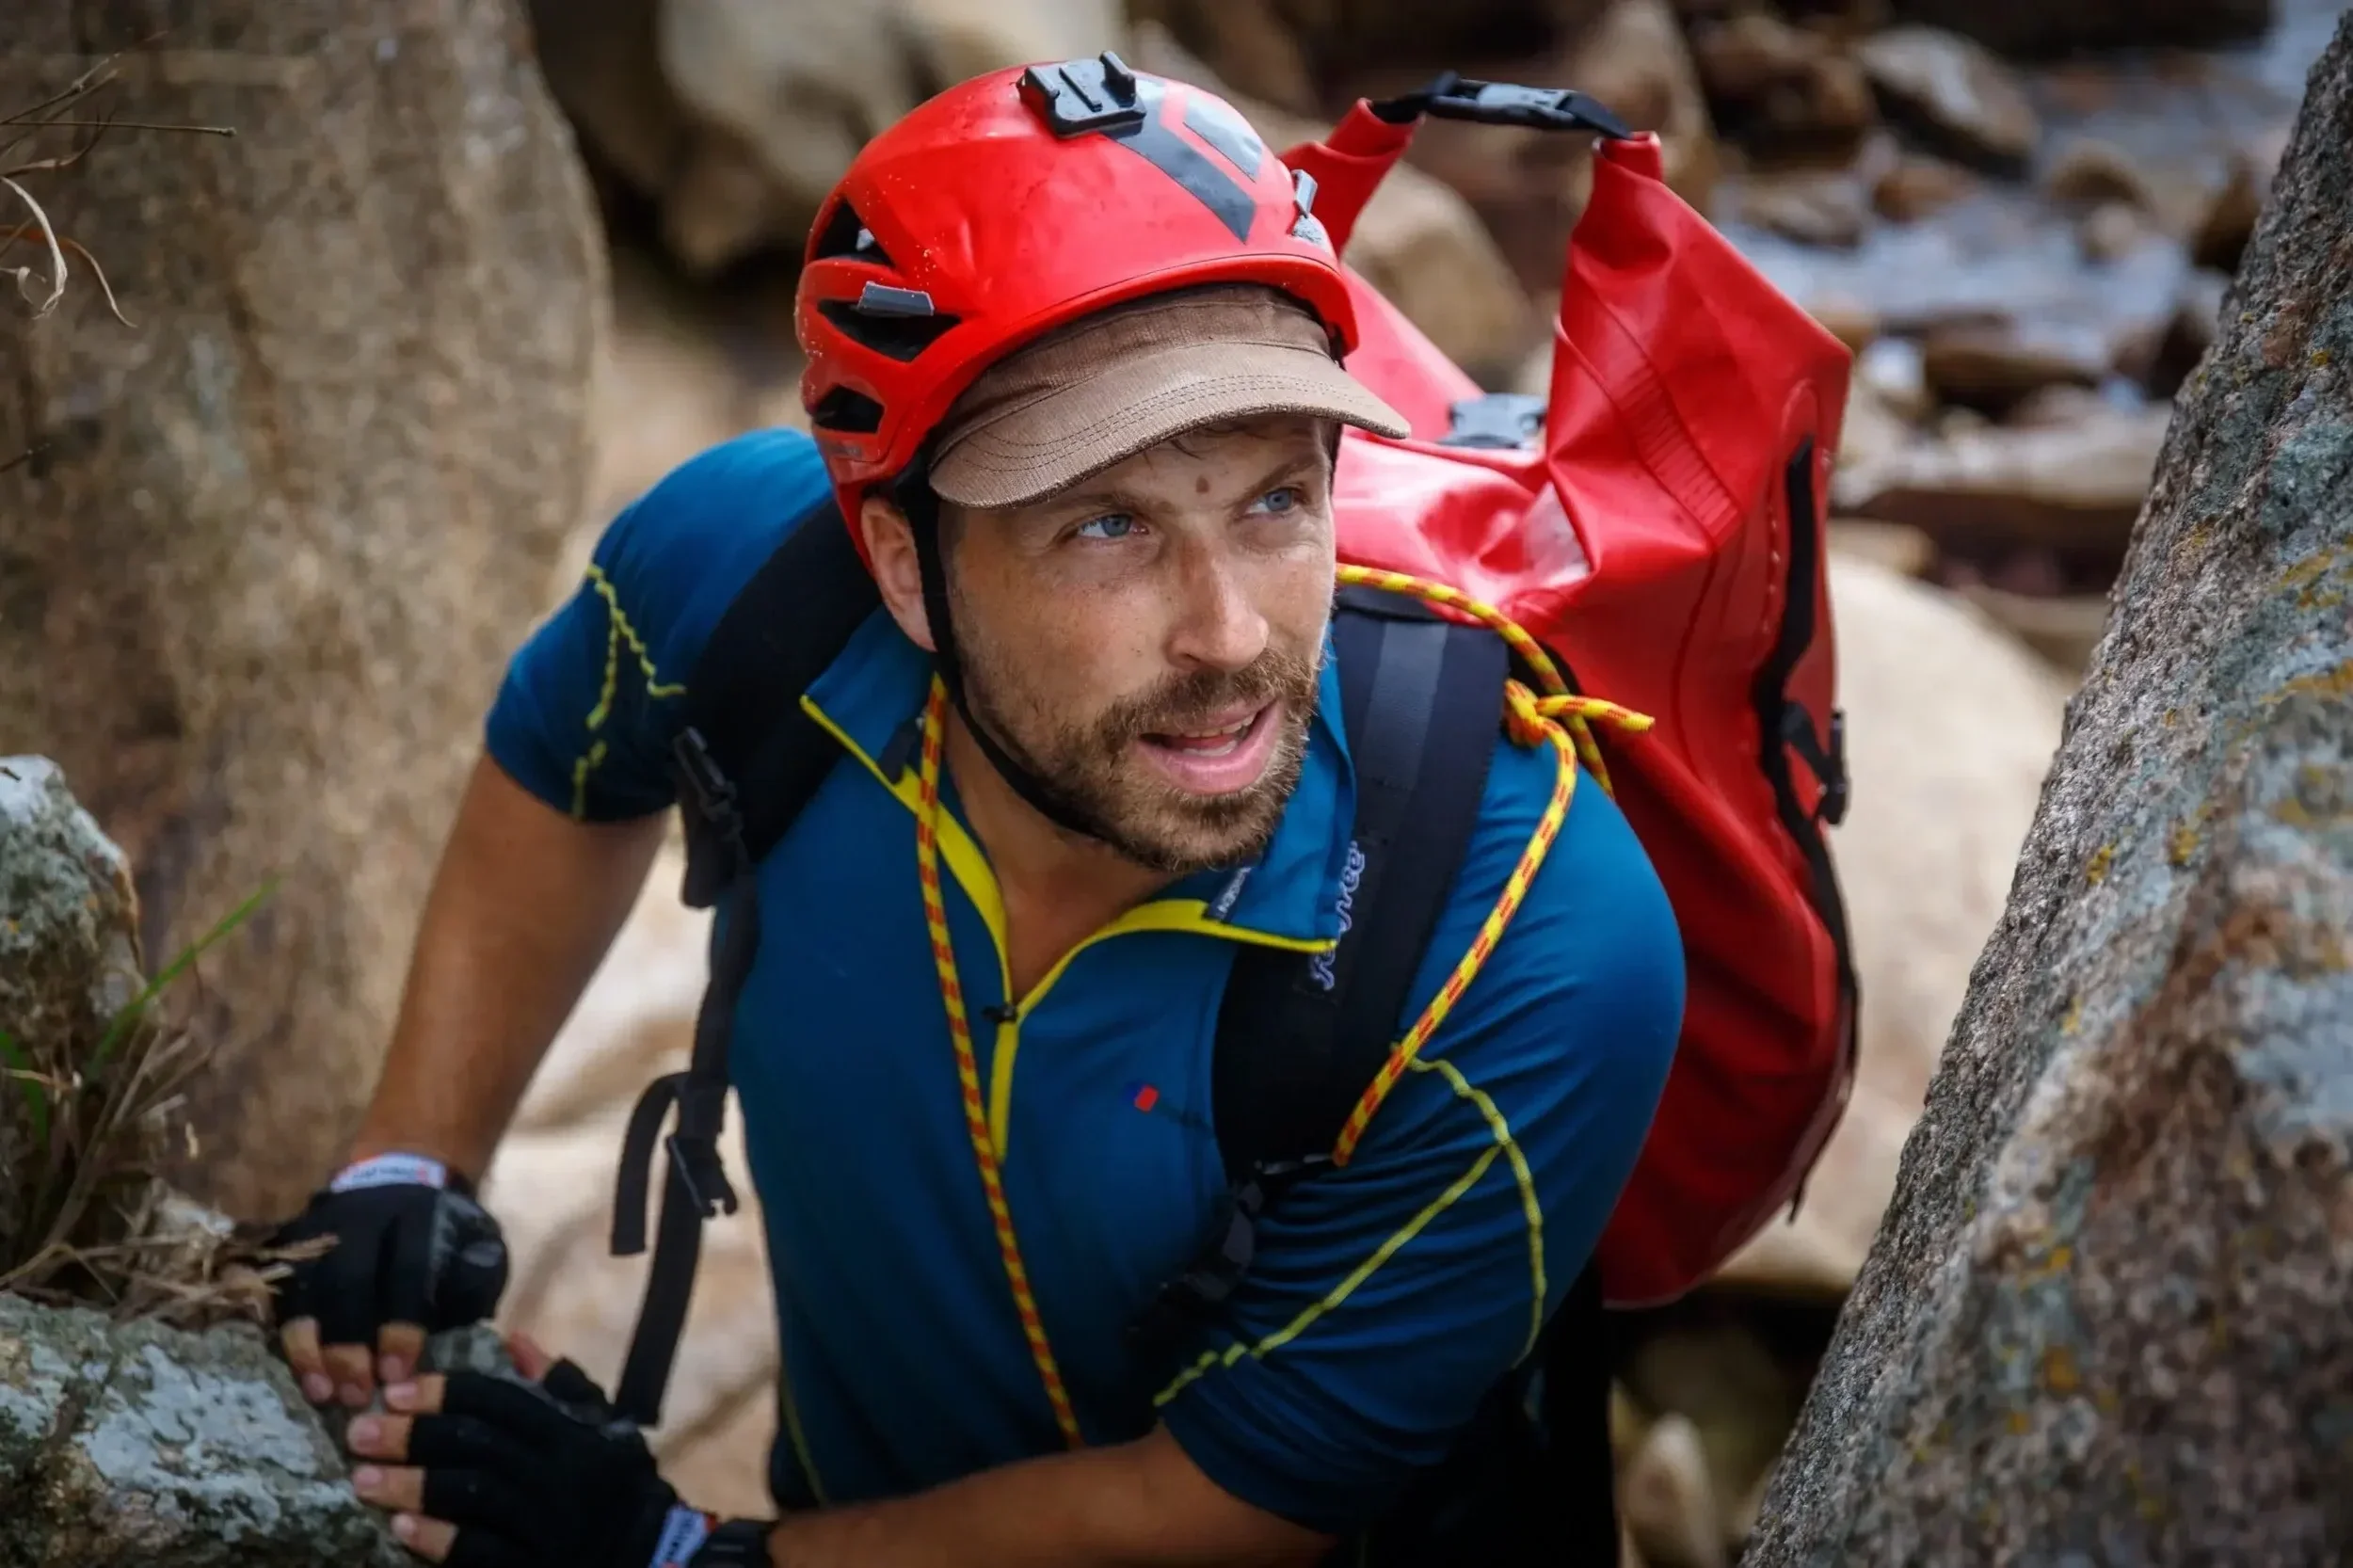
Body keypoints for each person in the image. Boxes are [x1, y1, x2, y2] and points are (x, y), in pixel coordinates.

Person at [268, 57, 1685, 1568]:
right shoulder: (750, 579)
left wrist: (695, 1556)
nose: (1228, 635)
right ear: (899, 564)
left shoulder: (1519, 938)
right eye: (1107, 526)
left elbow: (1238, 1496)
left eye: (1275, 500)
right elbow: (562, 757)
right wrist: (407, 1163)